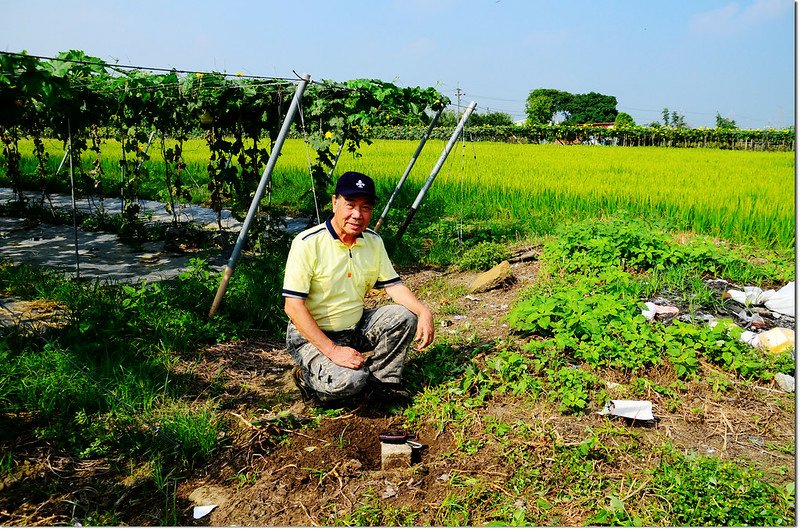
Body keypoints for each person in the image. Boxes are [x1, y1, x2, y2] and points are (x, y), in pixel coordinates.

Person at [282, 171, 435, 406]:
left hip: (354, 328)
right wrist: (333, 350)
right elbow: (293, 306)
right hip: (312, 336)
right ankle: (307, 378)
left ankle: (383, 384)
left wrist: (423, 311)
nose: (357, 215)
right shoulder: (308, 243)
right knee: (349, 382)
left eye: (365, 208)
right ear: (335, 203)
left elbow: (393, 286)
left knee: (403, 316)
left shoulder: (373, 241)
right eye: (350, 205)